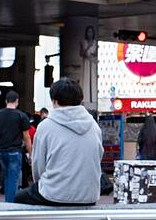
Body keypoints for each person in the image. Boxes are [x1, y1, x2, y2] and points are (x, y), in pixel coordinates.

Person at [15, 78, 103, 206]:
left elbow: (38, 166)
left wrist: (42, 183)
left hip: (54, 194)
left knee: (19, 198)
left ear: (54, 100)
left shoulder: (46, 126)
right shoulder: (94, 126)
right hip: (89, 196)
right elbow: (98, 158)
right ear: (80, 99)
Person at [0, 91, 32, 202]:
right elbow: (27, 137)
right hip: (15, 151)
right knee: (13, 179)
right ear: (17, 101)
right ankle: (10, 204)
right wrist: (30, 153)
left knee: (8, 176)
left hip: (1, 152)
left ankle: (8, 201)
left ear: (6, 101)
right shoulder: (21, 116)